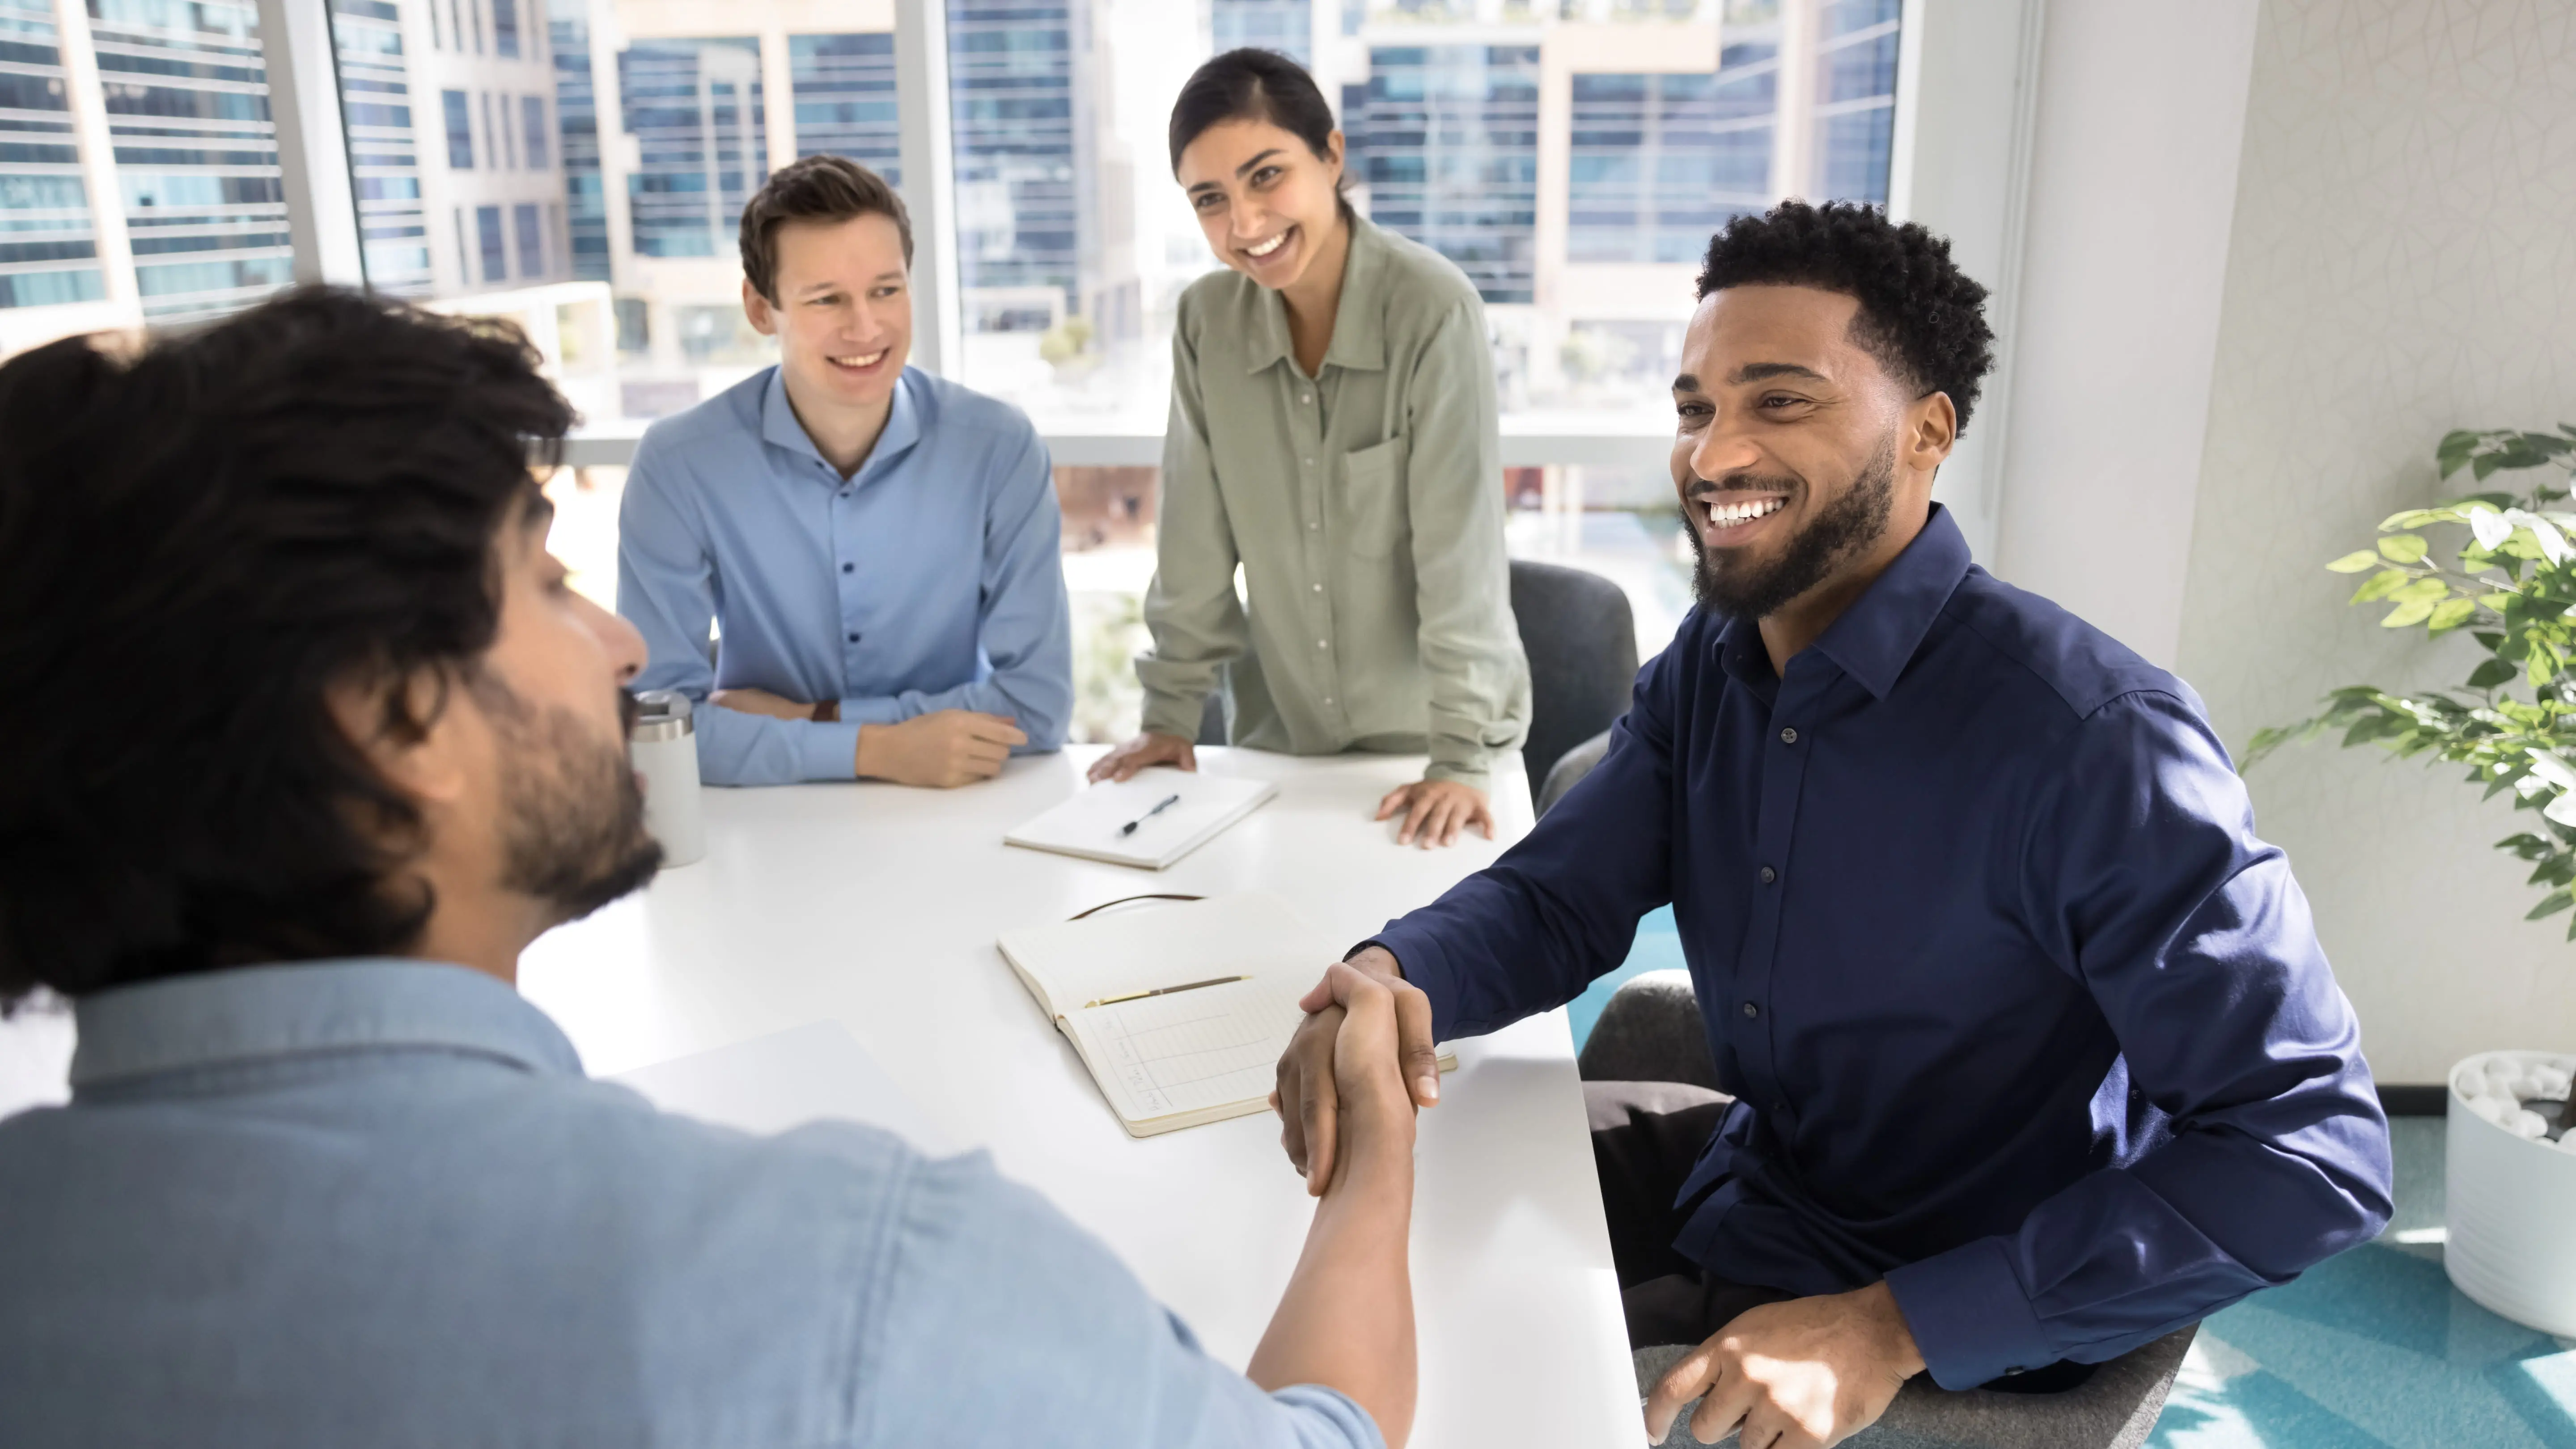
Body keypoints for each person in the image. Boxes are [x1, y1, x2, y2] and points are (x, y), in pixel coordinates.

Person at [0, 290, 1419, 1449]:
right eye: (547, 585)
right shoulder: (842, 1274)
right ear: (391, 722)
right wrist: (1379, 1165)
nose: (620, 650)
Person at [1270, 202, 2397, 1448]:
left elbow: (2316, 1152)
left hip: (1938, 1303)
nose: (1712, 453)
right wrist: (1393, 972)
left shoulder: (2095, 742)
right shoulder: (1714, 659)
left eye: (1781, 401)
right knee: (1359, 1179)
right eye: (1696, 408)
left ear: (1926, 434)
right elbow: (1555, 895)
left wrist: (1890, 1327)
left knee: (1481, 1391)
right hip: (1763, 1179)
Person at [1089, 50, 1531, 848]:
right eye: (1210, 200)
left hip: (1429, 756)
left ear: (1331, 155)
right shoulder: (1206, 324)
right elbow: (1192, 542)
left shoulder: (1432, 309)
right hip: (1280, 751)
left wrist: (1461, 758)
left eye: (1267, 177)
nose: (1245, 225)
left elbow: (1459, 554)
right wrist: (1168, 720)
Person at [619, 155, 1072, 789]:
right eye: (827, 299)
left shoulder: (998, 449)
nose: (865, 328)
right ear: (759, 308)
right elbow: (658, 728)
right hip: (766, 831)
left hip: (958, 810)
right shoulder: (679, 465)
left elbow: (1037, 709)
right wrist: (879, 752)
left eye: (886, 290)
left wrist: (816, 720)